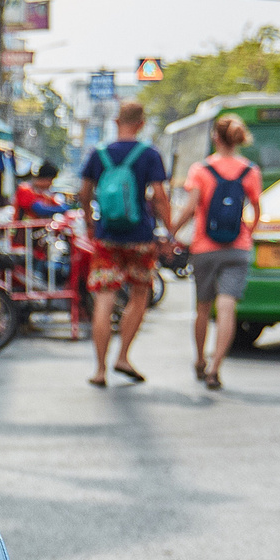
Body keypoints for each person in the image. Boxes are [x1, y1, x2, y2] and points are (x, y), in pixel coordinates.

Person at [76, 101, 169, 387]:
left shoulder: (99, 153)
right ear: (141, 124)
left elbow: (84, 193)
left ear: (116, 121)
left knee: (104, 299)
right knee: (139, 294)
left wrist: (90, 223)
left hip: (107, 237)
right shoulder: (149, 154)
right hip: (140, 237)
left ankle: (99, 370)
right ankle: (123, 356)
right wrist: (170, 230)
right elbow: (160, 196)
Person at [175, 113, 261, 391]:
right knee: (227, 307)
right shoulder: (250, 170)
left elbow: (190, 208)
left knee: (203, 308)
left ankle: (200, 359)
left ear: (215, 137)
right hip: (238, 248)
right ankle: (215, 368)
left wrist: (172, 232)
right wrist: (249, 232)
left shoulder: (201, 170)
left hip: (204, 248)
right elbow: (256, 209)